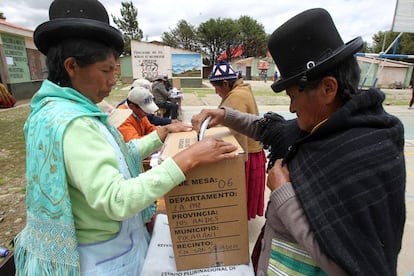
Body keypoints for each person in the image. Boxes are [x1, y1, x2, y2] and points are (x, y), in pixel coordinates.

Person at [14, 0, 238, 275]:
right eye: (106, 71)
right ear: (71, 66)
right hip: (103, 258)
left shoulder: (61, 111)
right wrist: (187, 159)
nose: (112, 81)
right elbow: (116, 198)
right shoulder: (73, 123)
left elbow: (117, 155)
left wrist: (161, 133)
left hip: (111, 245)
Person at [192, 8, 405, 276]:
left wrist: (282, 193)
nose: (291, 108)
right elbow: (272, 129)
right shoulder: (324, 126)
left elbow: (346, 265)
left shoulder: (365, 154)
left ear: (328, 89)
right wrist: (223, 114)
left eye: (293, 95)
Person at [208, 60, 266, 220]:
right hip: (254, 147)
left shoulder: (236, 97)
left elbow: (234, 132)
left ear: (225, 84)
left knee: (240, 193)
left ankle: (236, 220)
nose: (216, 92)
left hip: (247, 152)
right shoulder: (241, 90)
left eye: (216, 88)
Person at [117, 86, 188, 142]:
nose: (147, 113)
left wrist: (166, 131)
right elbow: (136, 146)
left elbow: (150, 129)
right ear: (132, 106)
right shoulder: (122, 118)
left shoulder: (139, 114)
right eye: (144, 110)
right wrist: (165, 130)